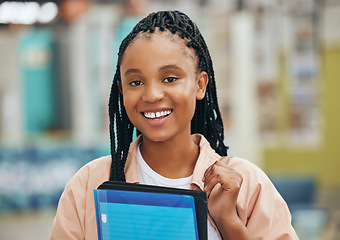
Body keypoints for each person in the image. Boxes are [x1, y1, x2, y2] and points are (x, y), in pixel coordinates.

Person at [50, 10, 299, 240]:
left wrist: (228, 221)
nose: (152, 95)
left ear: (200, 85)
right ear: (121, 91)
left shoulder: (245, 184)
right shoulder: (88, 184)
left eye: (170, 78)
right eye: (136, 82)